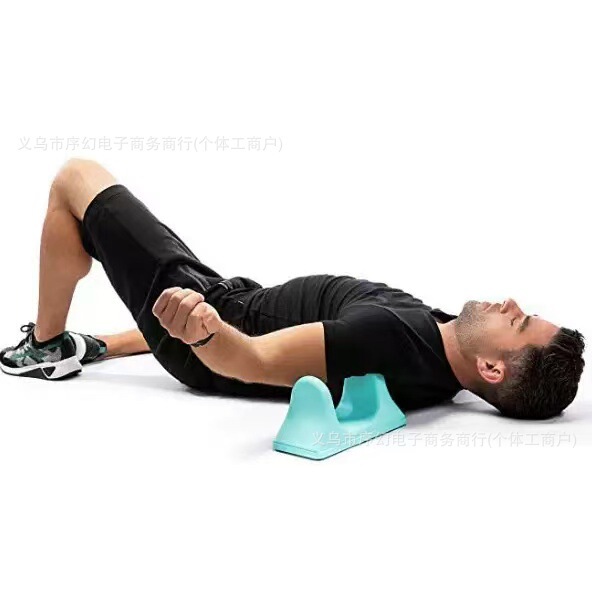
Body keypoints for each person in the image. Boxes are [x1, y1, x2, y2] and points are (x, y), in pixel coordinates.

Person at [0, 159, 585, 420]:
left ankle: (45, 347)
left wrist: (201, 333)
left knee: (75, 179)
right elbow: (277, 339)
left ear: (491, 369)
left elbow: (254, 359)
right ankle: (83, 346)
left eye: (517, 321)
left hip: (212, 325)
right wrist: (119, 343)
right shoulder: (439, 357)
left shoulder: (386, 337)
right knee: (78, 224)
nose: (511, 303)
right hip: (219, 308)